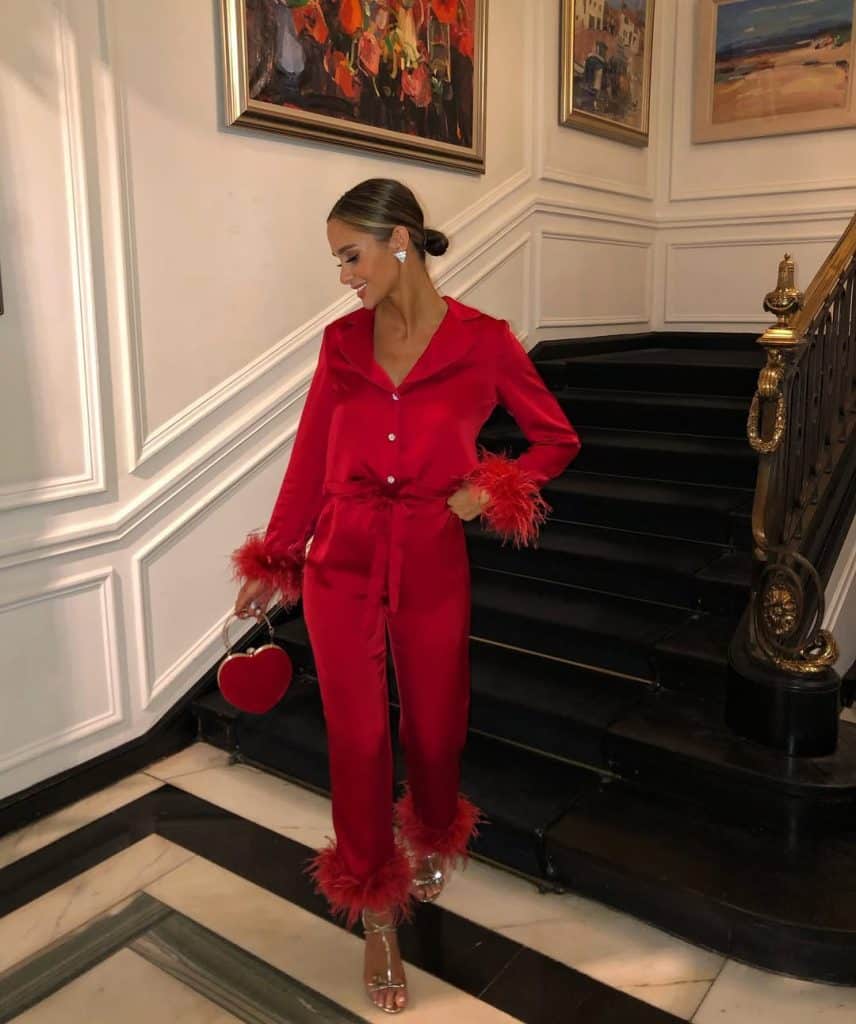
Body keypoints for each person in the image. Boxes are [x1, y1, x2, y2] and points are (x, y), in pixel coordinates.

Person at [231, 178, 581, 1014]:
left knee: (434, 722)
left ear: (400, 240)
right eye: (337, 259)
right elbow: (312, 455)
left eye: (350, 255)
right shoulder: (340, 344)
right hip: (342, 559)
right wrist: (276, 558)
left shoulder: (485, 341)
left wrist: (490, 487)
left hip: (429, 554)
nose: (344, 275)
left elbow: (555, 438)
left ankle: (430, 824)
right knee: (355, 740)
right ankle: (375, 907)